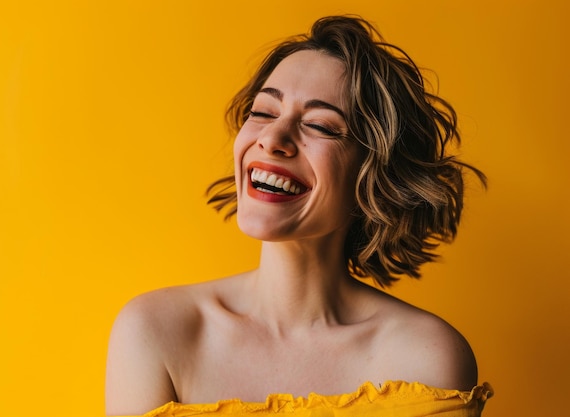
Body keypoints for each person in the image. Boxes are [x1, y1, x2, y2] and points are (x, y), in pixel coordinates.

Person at [105, 15, 493, 417]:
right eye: (263, 112)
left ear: (375, 176)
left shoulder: (426, 359)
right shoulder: (155, 331)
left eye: (320, 125)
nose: (271, 138)